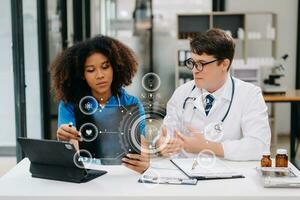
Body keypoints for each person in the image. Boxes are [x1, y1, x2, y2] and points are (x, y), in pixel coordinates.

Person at [155, 28, 271, 161]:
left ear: (224, 64)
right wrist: (162, 144)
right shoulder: (182, 93)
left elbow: (259, 147)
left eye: (202, 64)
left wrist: (207, 146)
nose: (194, 70)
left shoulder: (250, 95)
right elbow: (166, 135)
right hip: (186, 171)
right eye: (192, 62)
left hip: (229, 174)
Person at [51, 35, 149, 173]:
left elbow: (142, 148)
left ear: (115, 68)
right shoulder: (70, 105)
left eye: (105, 67)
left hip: (123, 176)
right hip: (87, 177)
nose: (100, 75)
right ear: (82, 75)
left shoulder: (131, 103)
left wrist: (145, 165)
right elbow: (72, 153)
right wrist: (65, 138)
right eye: (91, 70)